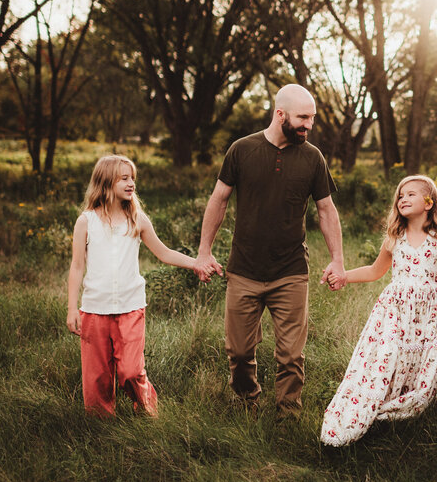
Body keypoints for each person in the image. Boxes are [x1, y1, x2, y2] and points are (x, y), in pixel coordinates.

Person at [193, 84, 346, 419]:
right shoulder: (242, 150)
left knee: (291, 355)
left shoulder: (312, 158)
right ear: (280, 114)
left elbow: (326, 210)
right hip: (244, 269)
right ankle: (247, 401)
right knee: (239, 350)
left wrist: (337, 261)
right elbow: (219, 200)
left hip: (290, 271)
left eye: (312, 118)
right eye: (303, 117)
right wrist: (204, 252)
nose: (309, 124)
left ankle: (287, 416)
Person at [320, 175, 437, 446]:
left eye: (410, 195)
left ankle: (416, 410)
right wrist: (344, 276)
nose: (402, 199)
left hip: (429, 316)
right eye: (400, 196)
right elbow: (375, 271)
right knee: (390, 355)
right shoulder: (395, 239)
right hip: (395, 312)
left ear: (429, 203)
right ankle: (377, 405)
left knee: (423, 359)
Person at [66, 154, 198, 417]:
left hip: (130, 307)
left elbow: (164, 253)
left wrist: (197, 264)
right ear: (106, 181)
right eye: (124, 178)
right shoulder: (86, 221)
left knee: (130, 370)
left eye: (133, 178)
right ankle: (100, 426)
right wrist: (72, 309)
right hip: (94, 309)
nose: (131, 184)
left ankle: (148, 413)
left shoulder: (137, 219)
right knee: (97, 377)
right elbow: (77, 266)